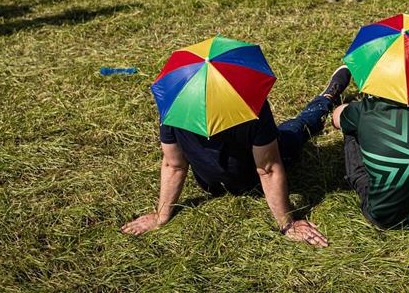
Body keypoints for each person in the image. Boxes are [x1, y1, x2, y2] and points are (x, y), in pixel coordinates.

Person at [121, 66, 355, 245]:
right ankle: (326, 99)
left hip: (212, 183)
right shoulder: (253, 105)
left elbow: (175, 165)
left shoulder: (172, 106)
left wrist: (162, 216)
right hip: (245, 178)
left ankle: (326, 98)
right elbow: (268, 169)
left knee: (288, 131)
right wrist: (287, 225)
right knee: (299, 125)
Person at [331, 70, 409, 229]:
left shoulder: (365, 110)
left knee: (350, 128)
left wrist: (347, 107)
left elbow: (337, 119)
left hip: (384, 217)